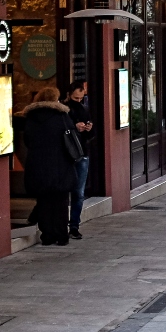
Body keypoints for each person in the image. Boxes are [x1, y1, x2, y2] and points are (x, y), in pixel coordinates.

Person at [23, 87, 79, 247]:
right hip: (60, 165)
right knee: (60, 202)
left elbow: (27, 140)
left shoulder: (31, 118)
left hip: (38, 165)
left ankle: (47, 236)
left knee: (44, 201)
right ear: (56, 99)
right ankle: (61, 235)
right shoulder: (62, 116)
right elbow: (72, 137)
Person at [64, 81, 94, 240]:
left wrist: (88, 129)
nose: (78, 101)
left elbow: (91, 136)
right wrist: (74, 127)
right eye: (75, 98)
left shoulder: (84, 109)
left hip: (82, 153)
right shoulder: (63, 111)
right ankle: (61, 224)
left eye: (81, 98)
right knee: (62, 190)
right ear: (68, 95)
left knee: (78, 192)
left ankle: (74, 225)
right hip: (66, 155)